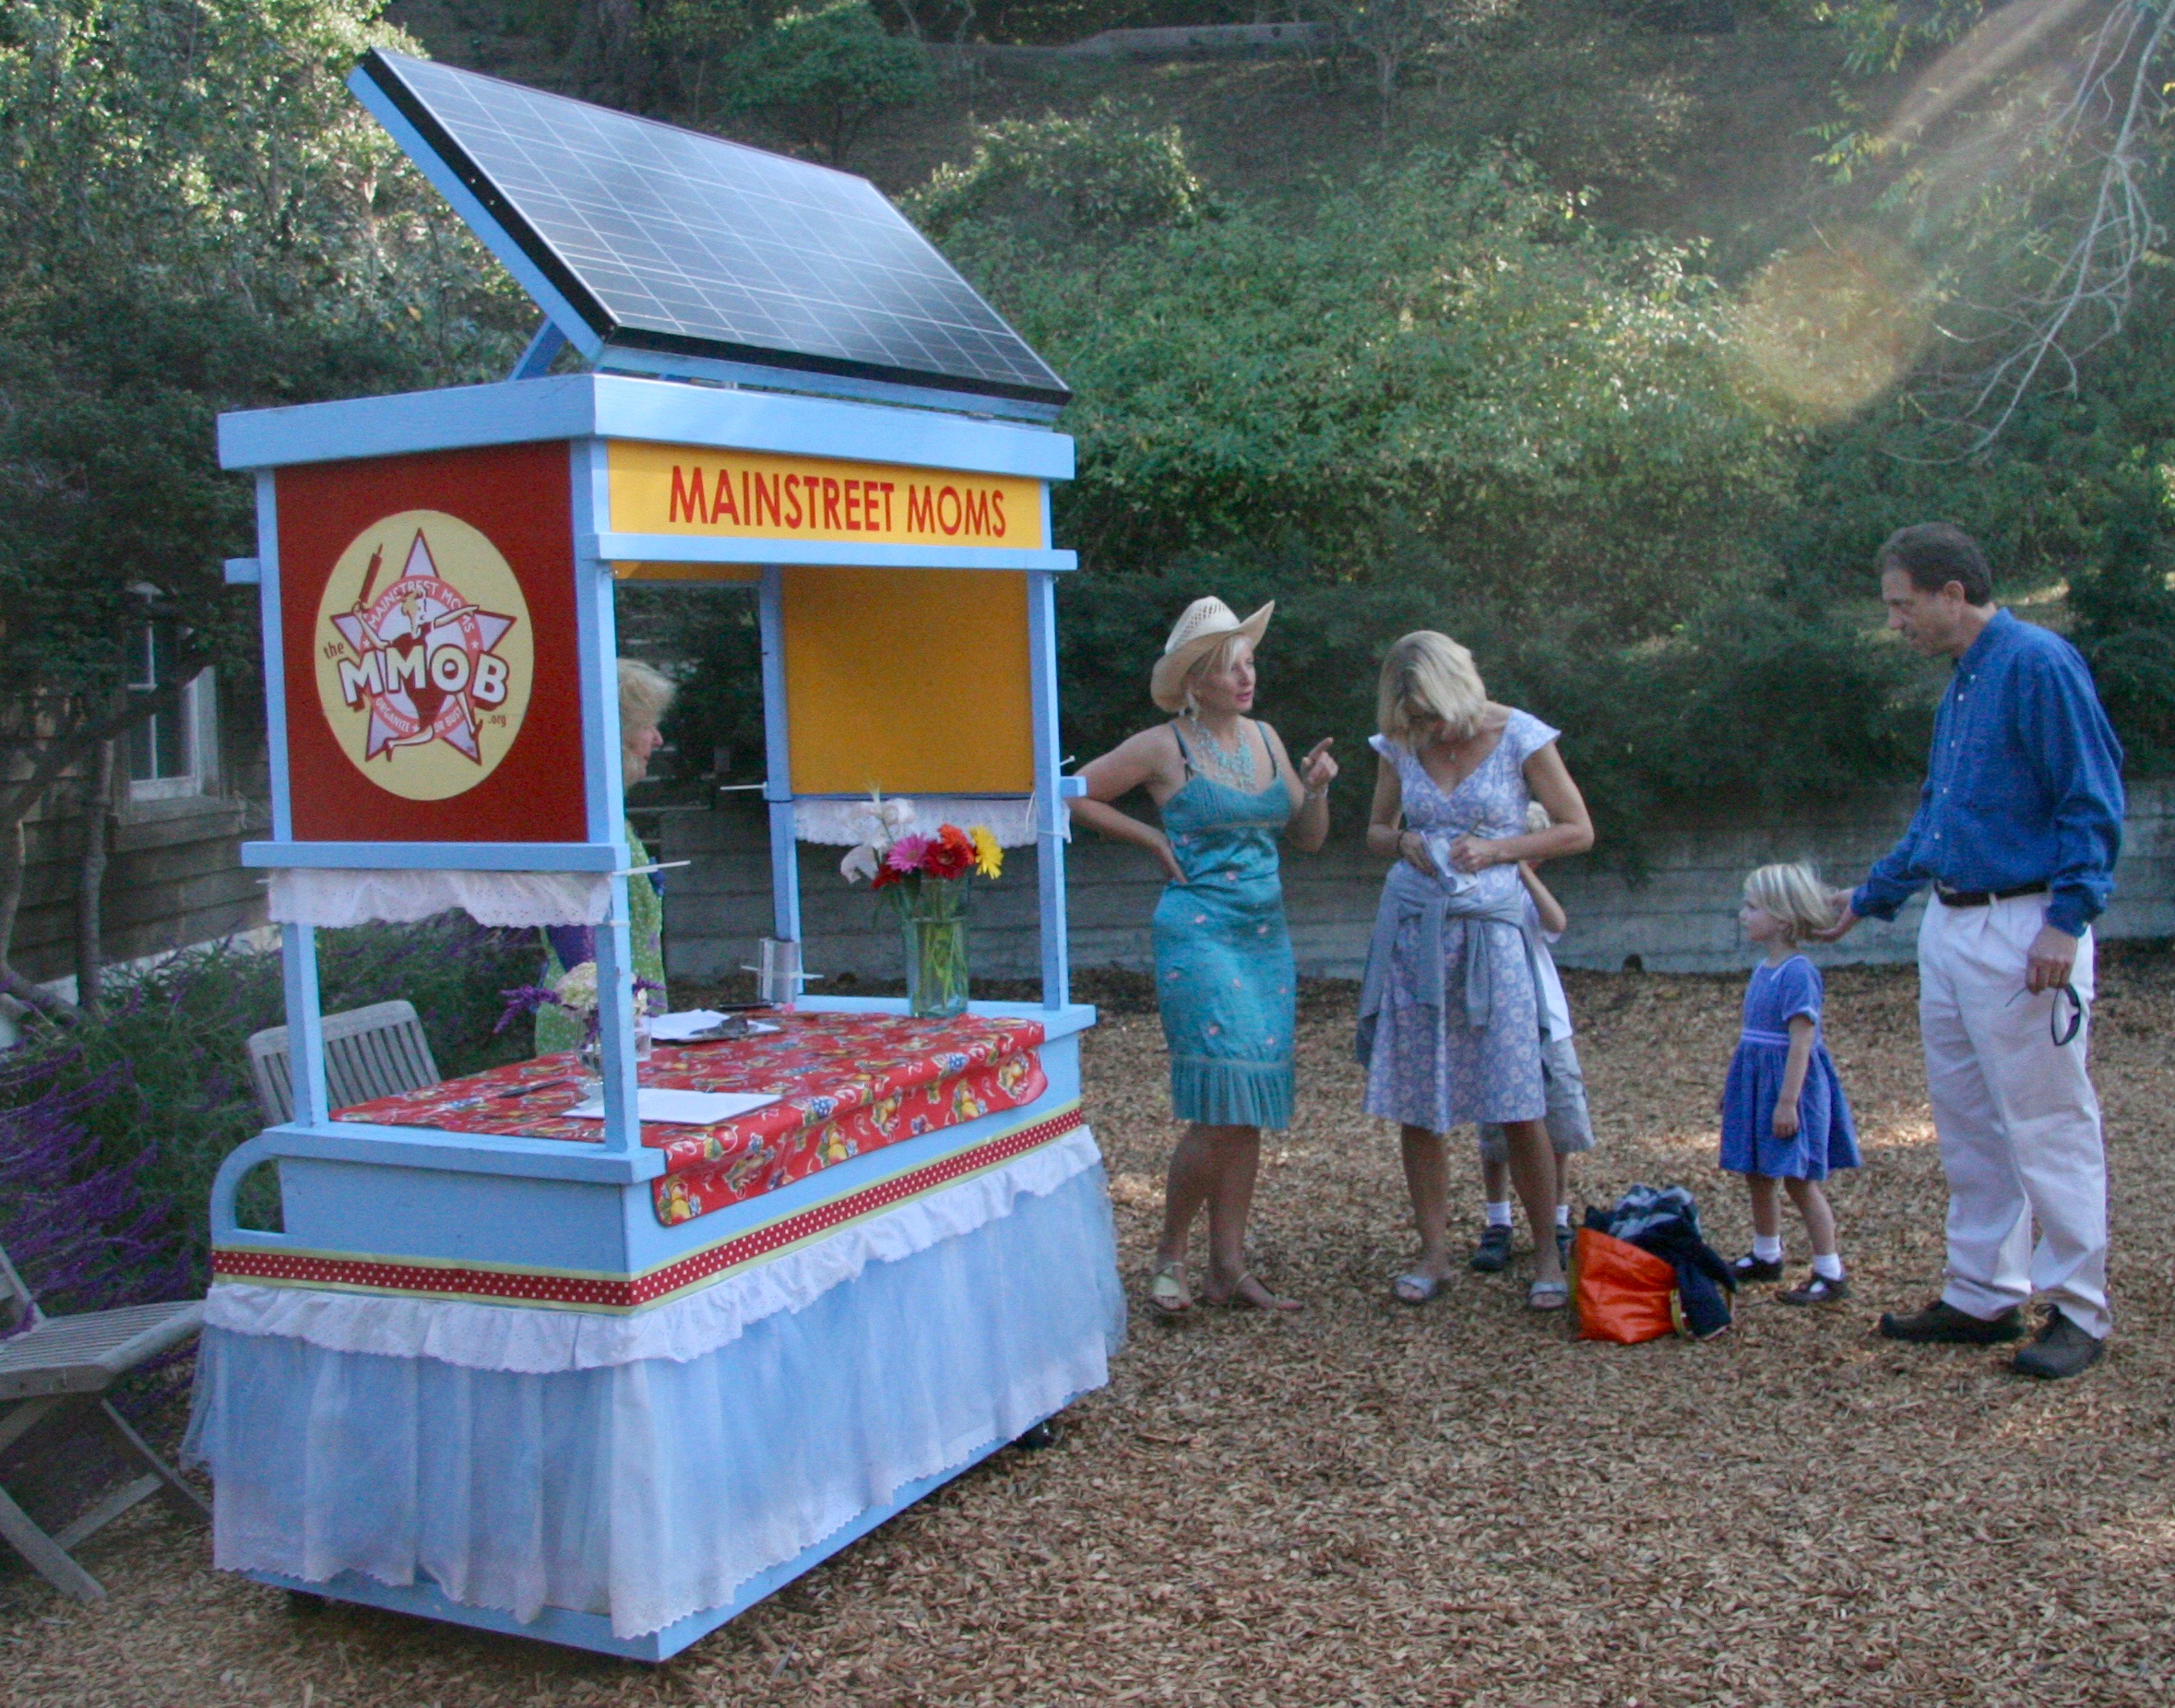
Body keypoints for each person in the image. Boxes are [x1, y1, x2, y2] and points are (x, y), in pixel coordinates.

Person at [1820, 522, 2124, 1379]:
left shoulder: (2037, 665)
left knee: (2048, 1121)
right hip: (1953, 926)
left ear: (1953, 595)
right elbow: (1940, 816)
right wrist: (1871, 899)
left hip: (2024, 924)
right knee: (1968, 1120)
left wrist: (2068, 920)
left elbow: (2091, 796)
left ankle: (2077, 1311)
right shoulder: (1964, 683)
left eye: (1901, 604)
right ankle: (1984, 1293)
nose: (1894, 622)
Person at [1070, 598, 1337, 1314]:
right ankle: (1169, 1257)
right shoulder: (1164, 746)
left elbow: (1307, 840)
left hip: (1264, 938)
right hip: (1199, 934)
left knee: (1246, 1105)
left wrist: (1314, 791)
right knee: (1219, 1105)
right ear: (1195, 679)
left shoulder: (1268, 737)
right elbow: (1074, 793)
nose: (1246, 677)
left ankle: (1228, 1267)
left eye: (1249, 662)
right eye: (1230, 667)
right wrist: (1151, 840)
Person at [1359, 632, 1595, 1311]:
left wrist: (1499, 851)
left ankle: (1547, 1252)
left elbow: (1578, 829)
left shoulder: (1520, 735)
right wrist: (1403, 840)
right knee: (1419, 1105)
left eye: (1433, 715)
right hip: (1419, 943)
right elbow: (1375, 832)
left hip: (1496, 944)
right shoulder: (1399, 743)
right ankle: (1434, 1253)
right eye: (1416, 719)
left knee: (1519, 1100)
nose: (1428, 730)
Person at [1720, 862, 1860, 1305]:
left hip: (1787, 1086)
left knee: (1799, 1179)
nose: (1743, 915)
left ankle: (1829, 1270)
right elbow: (1752, 1040)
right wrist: (1733, 1088)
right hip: (1757, 1081)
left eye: (1752, 907)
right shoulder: (1764, 969)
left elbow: (1802, 1039)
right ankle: (1766, 1253)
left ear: (1781, 917)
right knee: (1757, 1171)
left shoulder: (1798, 972)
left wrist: (1788, 1102)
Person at [1467, 809, 1595, 1279]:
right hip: (1498, 1025)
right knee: (1497, 1132)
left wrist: (1518, 866)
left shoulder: (1525, 892)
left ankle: (1556, 1217)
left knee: (1556, 1126)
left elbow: (1555, 922)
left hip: (1547, 1026)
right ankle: (1497, 1218)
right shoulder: (1481, 892)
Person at [537, 659, 676, 1053]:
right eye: (647, 725)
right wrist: (612, 1017)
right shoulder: (579, 821)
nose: (658, 739)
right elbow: (572, 933)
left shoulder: (607, 815)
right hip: (590, 1031)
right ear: (616, 734)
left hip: (629, 1022)